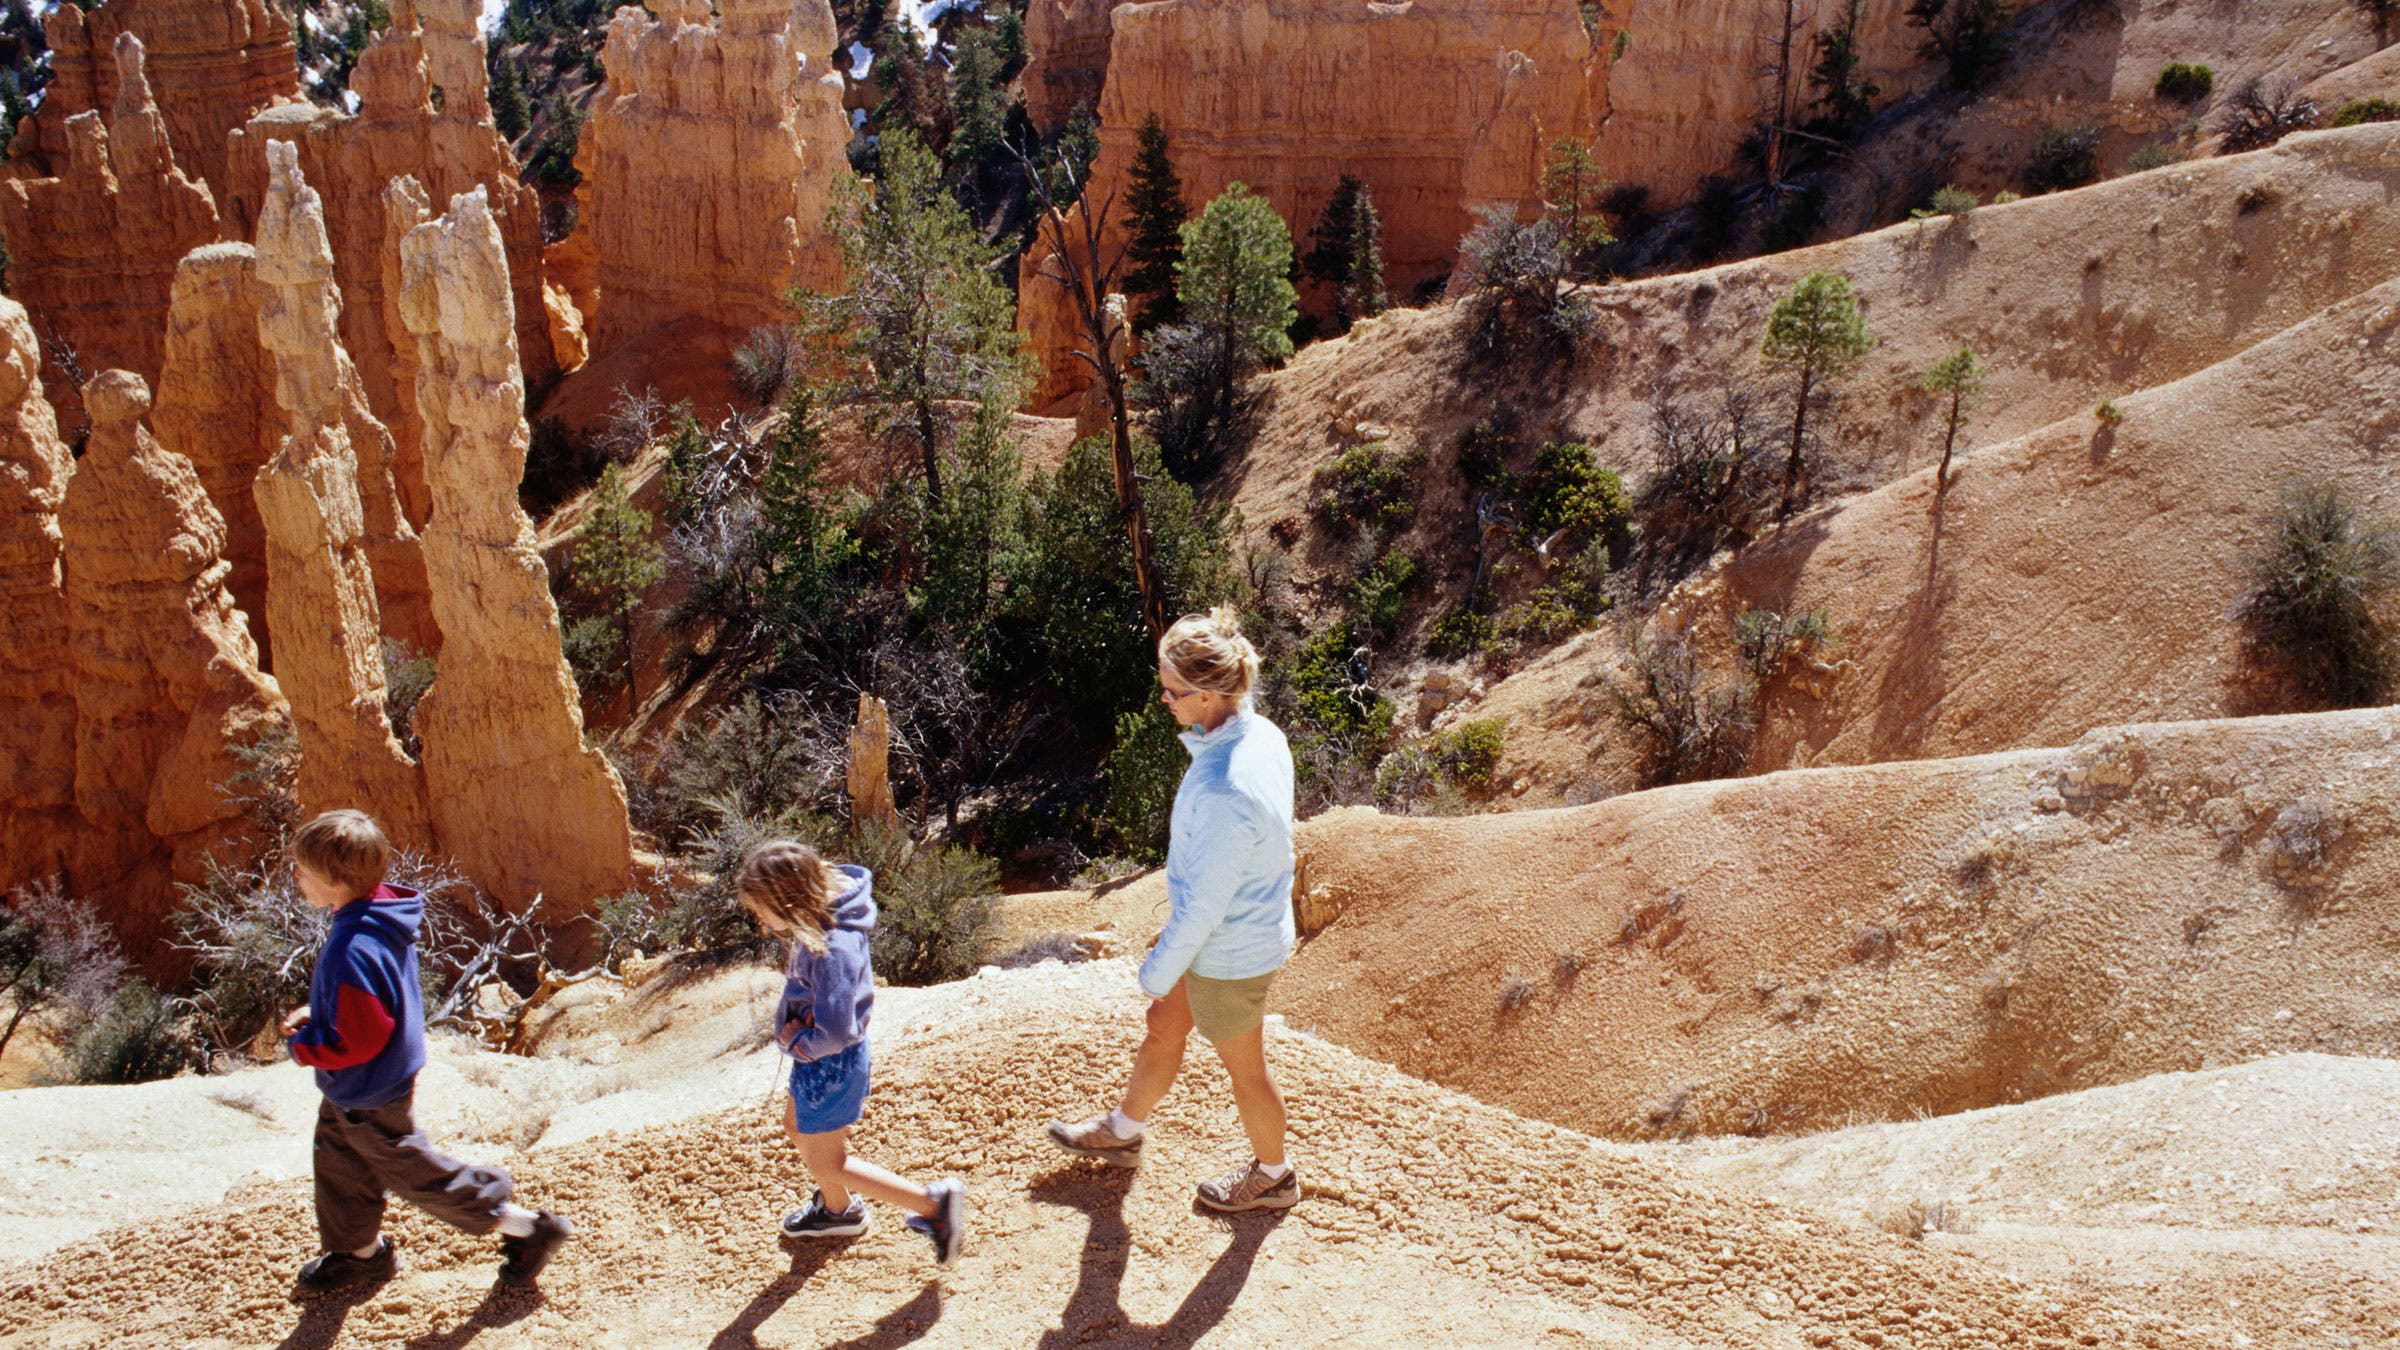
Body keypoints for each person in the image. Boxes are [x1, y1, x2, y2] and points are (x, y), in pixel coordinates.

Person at [1046, 606, 1301, 1212]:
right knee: (1166, 1023)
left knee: (1246, 1071)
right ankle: (1124, 1132)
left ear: (1209, 693)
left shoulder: (1223, 787)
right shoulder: (1258, 733)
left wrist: (1156, 969)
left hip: (1230, 949)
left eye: (1172, 691)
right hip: (1237, 930)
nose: (1164, 700)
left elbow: (1207, 906)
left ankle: (1274, 1176)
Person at [283, 809, 573, 1293]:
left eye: (303, 871)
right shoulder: (376, 912)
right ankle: (358, 1255)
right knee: (339, 1163)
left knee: (418, 1175)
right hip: (365, 1084)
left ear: (333, 880)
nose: (295, 876)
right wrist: (323, 1011)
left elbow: (361, 1037)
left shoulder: (352, 944)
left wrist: (305, 1046)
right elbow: (372, 999)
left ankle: (529, 1228)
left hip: (370, 1088)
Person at [736, 839, 966, 1265]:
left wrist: (797, 1043)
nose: (761, 923)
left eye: (761, 911)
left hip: (829, 1065)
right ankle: (837, 1211)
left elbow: (838, 1031)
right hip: (818, 1064)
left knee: (831, 1162)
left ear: (786, 900)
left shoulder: (832, 947)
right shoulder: (823, 920)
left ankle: (935, 1207)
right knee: (796, 1127)